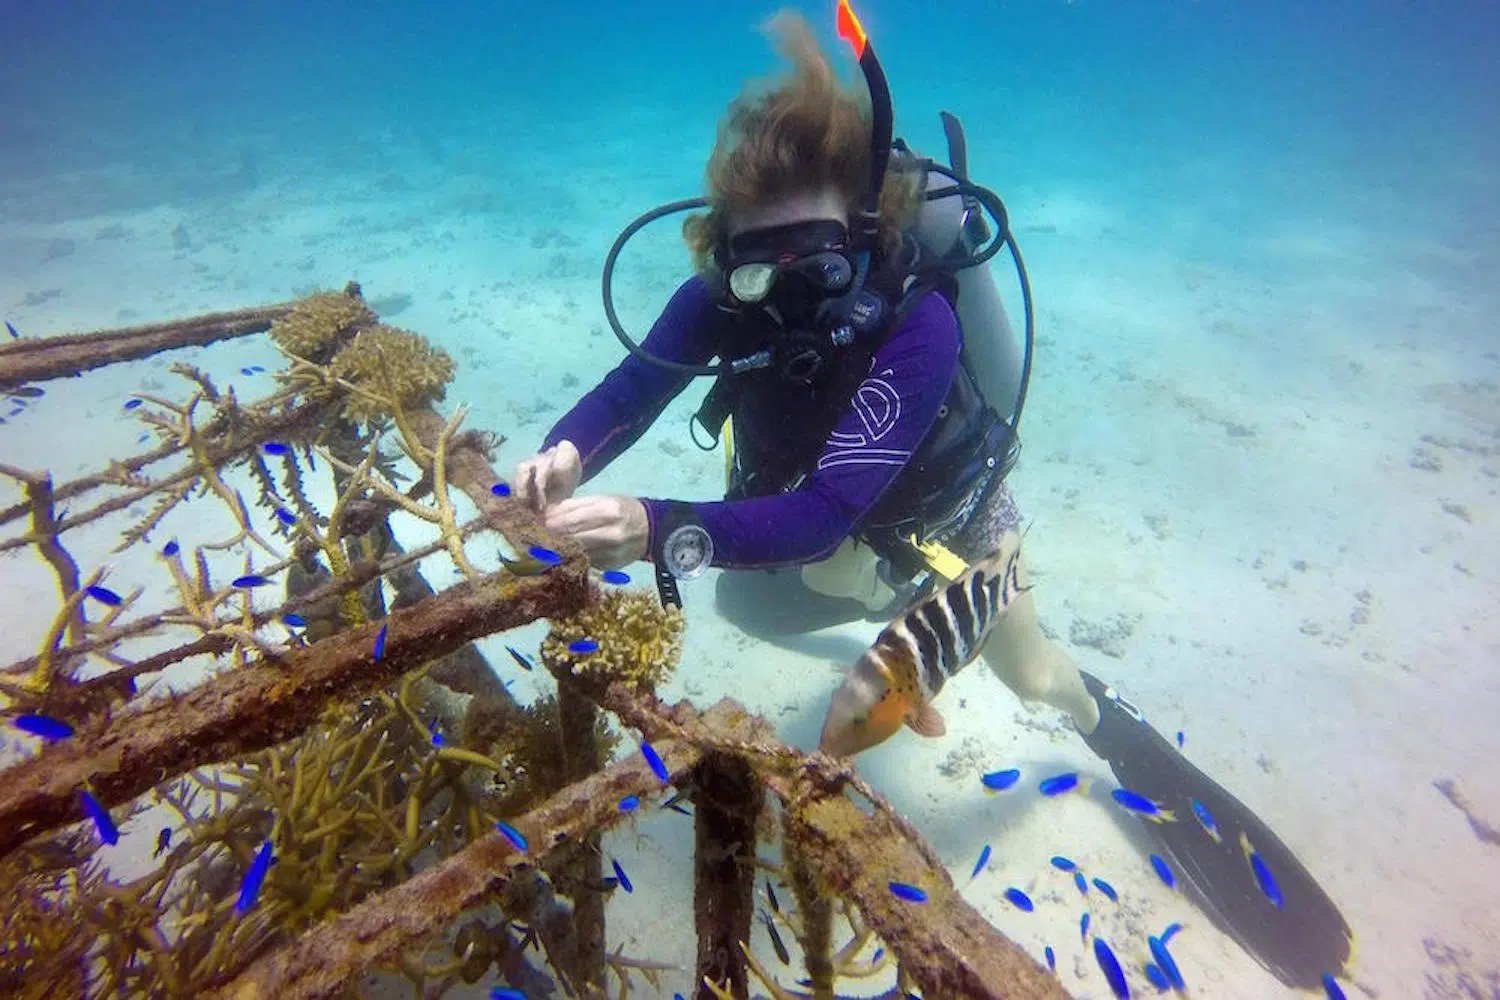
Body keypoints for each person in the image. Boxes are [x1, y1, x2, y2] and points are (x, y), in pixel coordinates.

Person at [511, 6, 1352, 991]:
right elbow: (631, 390)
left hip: (947, 539)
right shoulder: (719, 297)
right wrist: (565, 450)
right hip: (825, 532)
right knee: (747, 601)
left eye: (815, 266)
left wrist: (657, 526)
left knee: (1037, 684)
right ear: (723, 248)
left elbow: (826, 508)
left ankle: (1103, 721)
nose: (783, 294)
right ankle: (873, 637)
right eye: (754, 264)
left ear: (863, 241)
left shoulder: (919, 326)